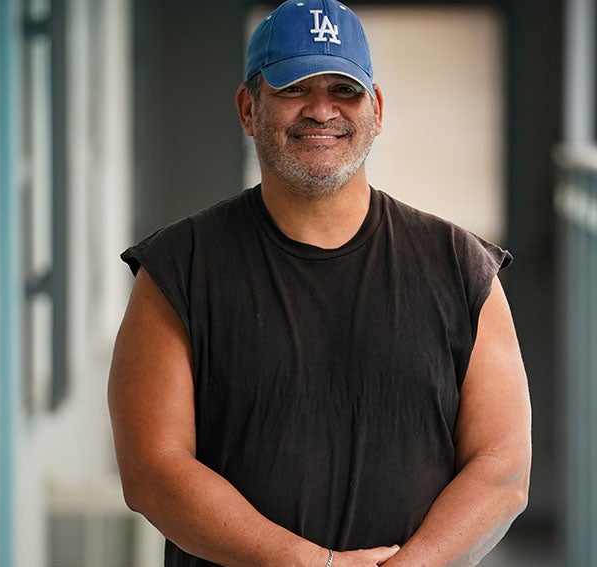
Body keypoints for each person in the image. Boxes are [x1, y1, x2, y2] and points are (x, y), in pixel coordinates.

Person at [108, 1, 532, 565]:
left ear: (375, 108)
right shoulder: (179, 270)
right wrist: (311, 565)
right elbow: (152, 470)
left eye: (344, 90)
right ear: (247, 106)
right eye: (293, 88)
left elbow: (502, 469)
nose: (321, 110)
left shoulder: (460, 267)